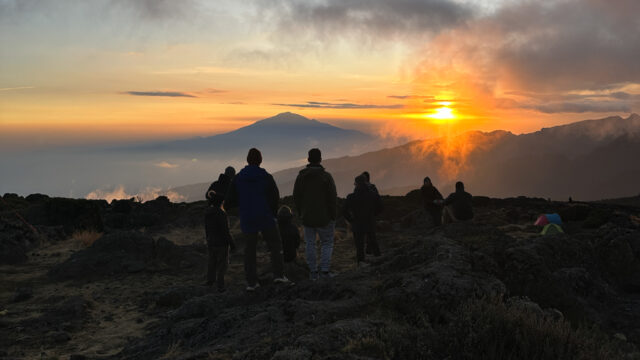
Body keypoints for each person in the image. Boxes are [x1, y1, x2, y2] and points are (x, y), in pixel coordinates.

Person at [225, 148, 291, 291]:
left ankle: (251, 283)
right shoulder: (266, 177)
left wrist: (242, 209)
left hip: (247, 217)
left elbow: (228, 202)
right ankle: (279, 275)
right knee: (275, 245)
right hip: (265, 216)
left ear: (247, 160)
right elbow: (275, 197)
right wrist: (272, 215)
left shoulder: (238, 178)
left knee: (250, 250)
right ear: (260, 160)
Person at [293, 148, 338, 281]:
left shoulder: (301, 176)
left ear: (308, 159)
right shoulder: (326, 177)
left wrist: (301, 212)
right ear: (320, 159)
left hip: (307, 217)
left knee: (310, 244)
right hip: (325, 217)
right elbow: (332, 197)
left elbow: (296, 196)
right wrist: (333, 215)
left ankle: (313, 272)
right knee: (327, 243)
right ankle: (324, 272)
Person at [344, 175, 382, 266]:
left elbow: (344, 210)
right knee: (373, 239)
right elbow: (381, 207)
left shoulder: (351, 197)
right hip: (370, 221)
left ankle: (361, 261)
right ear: (366, 182)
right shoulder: (373, 195)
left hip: (357, 223)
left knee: (359, 244)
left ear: (356, 184)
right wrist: (373, 215)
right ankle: (378, 258)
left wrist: (351, 220)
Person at [204, 190, 235, 292]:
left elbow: (207, 229)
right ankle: (220, 286)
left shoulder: (208, 213)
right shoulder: (221, 214)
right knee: (222, 265)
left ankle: (210, 281)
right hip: (221, 243)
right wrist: (231, 243)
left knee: (211, 262)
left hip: (211, 242)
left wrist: (208, 239)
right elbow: (225, 231)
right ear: (221, 202)